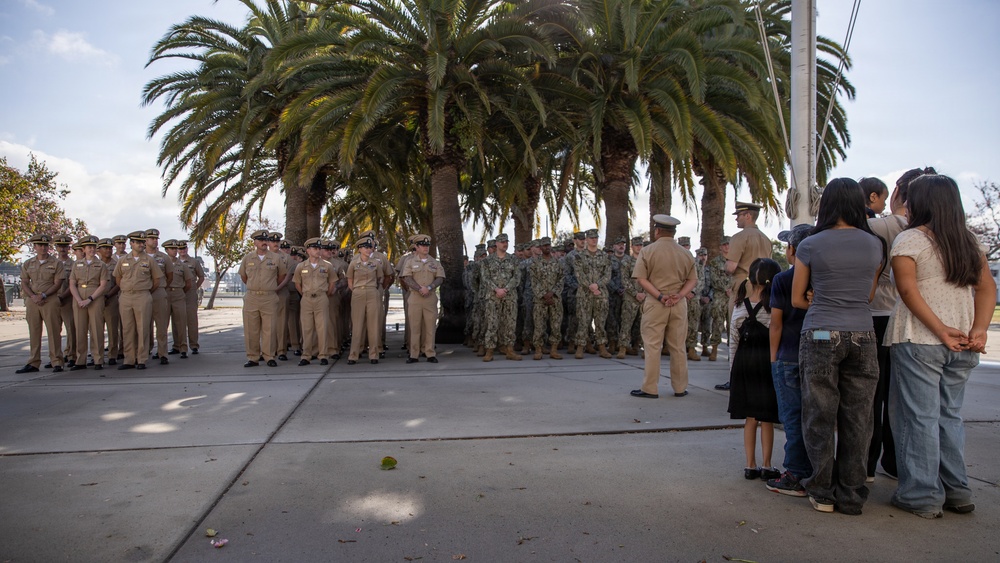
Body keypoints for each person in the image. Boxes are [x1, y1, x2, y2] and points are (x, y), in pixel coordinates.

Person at [886, 174, 993, 518]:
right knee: (949, 417)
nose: (906, 204)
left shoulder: (910, 238)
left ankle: (921, 496)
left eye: (910, 198)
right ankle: (957, 491)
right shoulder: (969, 241)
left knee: (918, 418)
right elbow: (987, 288)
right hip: (963, 343)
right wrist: (979, 330)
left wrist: (940, 329)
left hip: (919, 339)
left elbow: (907, 290)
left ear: (921, 202)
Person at [791, 178, 885, 515]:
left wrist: (819, 296)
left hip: (820, 333)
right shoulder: (875, 244)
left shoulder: (810, 244)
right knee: (859, 418)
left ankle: (822, 490)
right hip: (863, 334)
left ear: (827, 204)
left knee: (819, 413)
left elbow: (797, 299)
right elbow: (868, 296)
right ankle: (851, 494)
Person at [765, 224, 814, 497]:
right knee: (816, 416)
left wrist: (773, 358)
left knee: (792, 417)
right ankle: (817, 469)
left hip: (788, 355)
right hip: (818, 354)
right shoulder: (822, 278)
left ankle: (795, 472)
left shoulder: (783, 279)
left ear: (793, 250)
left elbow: (776, 323)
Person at [630, 215, 698, 399]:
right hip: (678, 303)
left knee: (653, 346)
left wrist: (660, 296)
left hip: (656, 302)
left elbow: (641, 279)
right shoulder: (686, 253)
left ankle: (650, 388)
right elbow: (693, 280)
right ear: (674, 232)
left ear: (657, 230)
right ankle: (680, 387)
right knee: (678, 346)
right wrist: (680, 295)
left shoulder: (648, 251)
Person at [727, 258, 781, 481]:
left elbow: (733, 341)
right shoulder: (774, 307)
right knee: (766, 418)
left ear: (749, 279)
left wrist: (733, 371)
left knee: (750, 418)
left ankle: (750, 465)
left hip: (744, 365)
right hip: (766, 365)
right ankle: (767, 465)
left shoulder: (739, 306)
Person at [15, 234, 66, 374]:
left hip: (50, 299)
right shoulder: (28, 263)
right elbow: (24, 282)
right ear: (35, 247)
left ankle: (56, 361)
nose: (43, 248)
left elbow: (57, 283)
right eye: (40, 245)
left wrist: (43, 295)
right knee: (34, 331)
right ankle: (33, 362)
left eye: (45, 245)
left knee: (54, 331)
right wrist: (33, 296)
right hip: (33, 301)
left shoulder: (56, 263)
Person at [114, 231, 165, 371]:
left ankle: (142, 359)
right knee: (127, 329)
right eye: (138, 242)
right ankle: (129, 359)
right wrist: (127, 288)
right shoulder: (123, 260)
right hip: (126, 296)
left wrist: (145, 291)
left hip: (143, 295)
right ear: (131, 243)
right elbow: (118, 278)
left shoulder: (149, 260)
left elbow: (156, 280)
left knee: (143, 328)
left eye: (142, 242)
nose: (141, 245)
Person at [238, 229, 288, 368]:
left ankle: (269, 356)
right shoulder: (248, 258)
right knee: (251, 329)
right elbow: (244, 277)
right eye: (260, 240)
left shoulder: (276, 258)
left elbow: (281, 276)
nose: (264, 242)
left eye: (266, 240)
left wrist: (269, 286)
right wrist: (254, 286)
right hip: (252, 297)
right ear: (254, 242)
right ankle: (253, 357)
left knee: (270, 328)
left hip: (269, 297)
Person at [401, 234, 445, 363]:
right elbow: (407, 278)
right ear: (416, 246)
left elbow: (440, 278)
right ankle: (414, 354)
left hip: (430, 298)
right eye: (422, 245)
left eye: (427, 245)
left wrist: (430, 287)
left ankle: (429, 353)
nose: (425, 247)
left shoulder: (435, 262)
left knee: (430, 327)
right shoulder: (410, 262)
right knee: (415, 327)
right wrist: (419, 288)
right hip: (415, 297)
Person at [68, 235, 110, 371]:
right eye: (89, 247)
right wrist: (79, 300)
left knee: (96, 329)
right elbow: (72, 284)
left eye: (93, 247)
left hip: (95, 297)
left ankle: (98, 359)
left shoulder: (101, 265)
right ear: (83, 249)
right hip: (79, 296)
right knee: (80, 330)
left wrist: (90, 299)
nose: (91, 249)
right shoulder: (77, 264)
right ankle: (80, 360)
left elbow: (103, 285)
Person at [293, 237, 336, 366]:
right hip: (306, 298)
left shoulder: (327, 266)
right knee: (307, 328)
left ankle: (323, 355)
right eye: (315, 248)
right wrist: (305, 294)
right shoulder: (301, 266)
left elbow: (332, 282)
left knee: (322, 327)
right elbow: (297, 284)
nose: (318, 250)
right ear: (308, 250)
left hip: (321, 297)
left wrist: (325, 294)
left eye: (319, 248)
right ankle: (306, 355)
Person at [479, 233, 522, 361]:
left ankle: (509, 350)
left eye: (506, 242)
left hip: (510, 296)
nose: (505, 244)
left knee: (510, 324)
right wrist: (496, 289)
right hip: (493, 297)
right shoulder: (487, 261)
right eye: (502, 242)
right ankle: (489, 351)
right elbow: (485, 278)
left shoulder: (513, 259)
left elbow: (517, 277)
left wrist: (506, 289)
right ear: (496, 243)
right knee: (492, 323)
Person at [574, 229, 612, 359]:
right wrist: (590, 286)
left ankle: (602, 347)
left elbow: (607, 275)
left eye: (596, 238)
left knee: (600, 321)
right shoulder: (579, 256)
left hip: (600, 294)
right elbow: (579, 274)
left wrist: (597, 285)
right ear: (586, 240)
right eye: (591, 238)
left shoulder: (604, 256)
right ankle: (580, 347)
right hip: (584, 294)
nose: (594, 240)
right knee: (583, 321)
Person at [346, 237, 384, 364]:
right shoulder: (353, 263)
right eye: (366, 248)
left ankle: (374, 355)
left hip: (372, 292)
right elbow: (350, 280)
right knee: (357, 325)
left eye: (370, 247)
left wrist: (373, 289)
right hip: (358, 293)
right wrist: (356, 290)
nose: (369, 250)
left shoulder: (376, 263)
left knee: (373, 325)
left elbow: (380, 278)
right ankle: (353, 355)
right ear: (360, 249)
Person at [528, 237, 565, 360]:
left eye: (548, 245)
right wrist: (544, 294)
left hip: (555, 299)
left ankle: (554, 350)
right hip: (540, 299)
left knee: (556, 325)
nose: (547, 247)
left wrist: (553, 293)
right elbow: (534, 281)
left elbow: (561, 279)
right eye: (544, 245)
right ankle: (538, 349)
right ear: (540, 247)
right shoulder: (535, 264)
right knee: (539, 325)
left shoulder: (558, 263)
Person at [144, 229, 174, 365]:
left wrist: (162, 287)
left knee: (161, 325)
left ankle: (162, 353)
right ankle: (144, 351)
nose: (155, 241)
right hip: (143, 292)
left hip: (159, 292)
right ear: (146, 241)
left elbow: (170, 275)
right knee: (144, 325)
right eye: (152, 238)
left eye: (156, 239)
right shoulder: (140, 257)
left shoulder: (163, 257)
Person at [162, 240, 194, 358]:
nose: (175, 251)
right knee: (163, 324)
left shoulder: (182, 265)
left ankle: (183, 348)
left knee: (181, 323)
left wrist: (180, 292)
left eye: (176, 249)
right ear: (166, 250)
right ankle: (162, 351)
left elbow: (188, 283)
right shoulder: (161, 264)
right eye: (172, 249)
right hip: (165, 294)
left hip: (178, 294)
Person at [177, 241, 206, 354]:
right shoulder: (173, 262)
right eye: (180, 249)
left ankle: (194, 345)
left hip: (190, 293)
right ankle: (177, 345)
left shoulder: (194, 262)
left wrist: (195, 287)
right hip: (178, 293)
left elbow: (201, 277)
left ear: (187, 249)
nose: (182, 251)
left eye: (184, 248)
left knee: (192, 320)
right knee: (178, 321)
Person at [52, 234, 76, 367]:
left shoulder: (74, 265)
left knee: (71, 329)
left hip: (68, 300)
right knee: (54, 330)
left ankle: (71, 355)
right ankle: (56, 357)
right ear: (56, 248)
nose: (62, 249)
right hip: (52, 301)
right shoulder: (52, 264)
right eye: (60, 246)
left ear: (69, 248)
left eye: (65, 246)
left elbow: (74, 284)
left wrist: (62, 296)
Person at [97, 238, 122, 365]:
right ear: (99, 250)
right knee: (96, 330)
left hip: (111, 299)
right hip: (96, 300)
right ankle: (98, 356)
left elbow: (119, 283)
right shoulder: (95, 264)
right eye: (105, 248)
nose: (108, 250)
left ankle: (112, 354)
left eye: (110, 248)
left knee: (112, 329)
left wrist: (108, 296)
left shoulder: (117, 264)